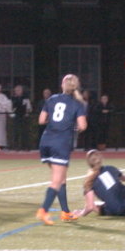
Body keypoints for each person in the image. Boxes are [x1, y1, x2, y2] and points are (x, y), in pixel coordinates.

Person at [36, 74, 87, 225]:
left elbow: (41, 120)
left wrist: (55, 122)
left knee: (61, 178)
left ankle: (65, 212)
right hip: (60, 143)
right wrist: (72, 126)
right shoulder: (77, 103)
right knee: (56, 181)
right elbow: (83, 125)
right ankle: (43, 210)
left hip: (46, 141)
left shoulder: (52, 99)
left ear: (63, 85)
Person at [74, 150, 125, 217]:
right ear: (101, 159)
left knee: (95, 204)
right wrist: (118, 172)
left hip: (117, 211)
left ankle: (107, 208)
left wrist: (81, 213)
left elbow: (90, 207)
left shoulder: (88, 181)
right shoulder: (110, 168)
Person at [10, 84, 32, 150]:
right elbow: (11, 108)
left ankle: (25, 146)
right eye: (16, 90)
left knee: (24, 132)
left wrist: (27, 111)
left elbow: (29, 108)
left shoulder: (26, 98)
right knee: (16, 132)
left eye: (19, 90)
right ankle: (16, 146)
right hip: (16, 117)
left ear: (22, 91)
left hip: (24, 117)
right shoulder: (13, 99)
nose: (18, 91)